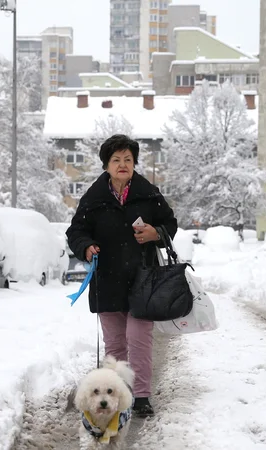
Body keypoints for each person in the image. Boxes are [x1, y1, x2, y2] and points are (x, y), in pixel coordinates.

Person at [66, 134, 178, 418]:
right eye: (116, 160)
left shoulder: (148, 193)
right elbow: (75, 232)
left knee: (139, 337)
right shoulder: (93, 198)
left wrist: (157, 233)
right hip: (107, 280)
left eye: (128, 159)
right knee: (115, 343)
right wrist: (86, 247)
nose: (123, 164)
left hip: (143, 278)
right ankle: (118, 392)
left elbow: (170, 223)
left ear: (134, 163)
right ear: (106, 165)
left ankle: (140, 396)